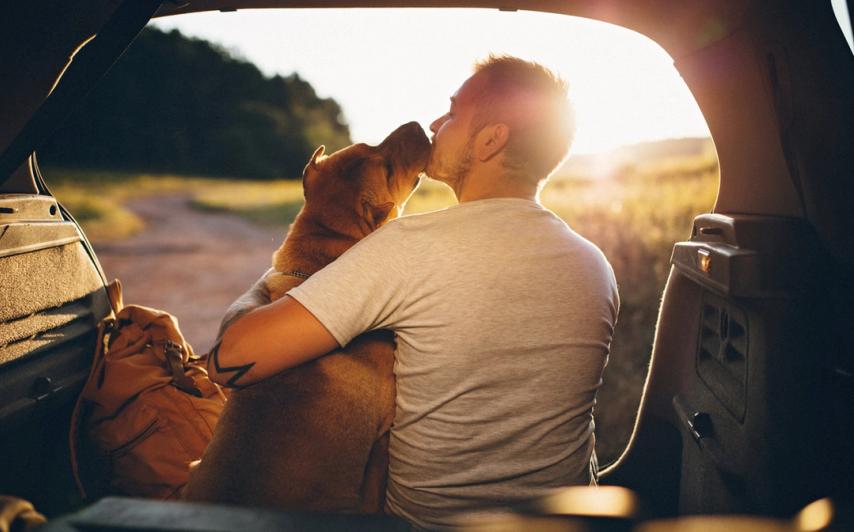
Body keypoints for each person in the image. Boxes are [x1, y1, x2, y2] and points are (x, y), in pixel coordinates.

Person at [210, 55, 619, 529]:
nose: (434, 124)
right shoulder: (595, 263)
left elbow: (227, 361)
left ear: (491, 139)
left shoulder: (409, 247)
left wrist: (271, 285)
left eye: (452, 114)